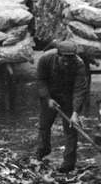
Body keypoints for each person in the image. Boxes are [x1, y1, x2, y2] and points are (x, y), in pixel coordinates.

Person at [34, 40, 91, 172]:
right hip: (50, 95)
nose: (67, 62)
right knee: (44, 125)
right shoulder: (45, 59)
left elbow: (80, 89)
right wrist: (48, 98)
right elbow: (41, 80)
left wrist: (75, 113)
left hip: (69, 96)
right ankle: (42, 151)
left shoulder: (79, 64)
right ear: (58, 55)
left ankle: (68, 164)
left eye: (70, 59)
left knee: (71, 129)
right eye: (64, 59)